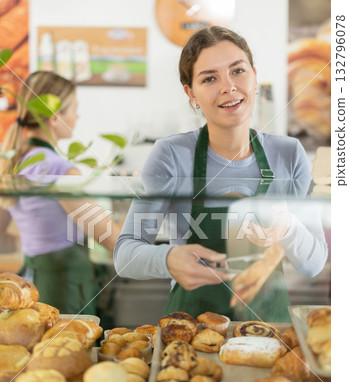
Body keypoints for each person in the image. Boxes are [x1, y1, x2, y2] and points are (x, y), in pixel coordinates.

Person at [114, 26, 328, 321]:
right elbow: (125, 255)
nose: (228, 87)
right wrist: (167, 258)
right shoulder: (171, 154)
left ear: (254, 76)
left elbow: (313, 264)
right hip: (190, 331)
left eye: (238, 71)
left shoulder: (290, 153)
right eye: (210, 78)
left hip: (270, 332)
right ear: (191, 93)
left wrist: (289, 227)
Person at [0, 71, 123, 315]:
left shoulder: (16, 162)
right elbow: (112, 240)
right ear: (56, 118)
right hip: (64, 286)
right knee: (67, 350)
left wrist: (36, 240)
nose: (76, 117)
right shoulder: (59, 169)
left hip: (32, 280)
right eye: (73, 109)